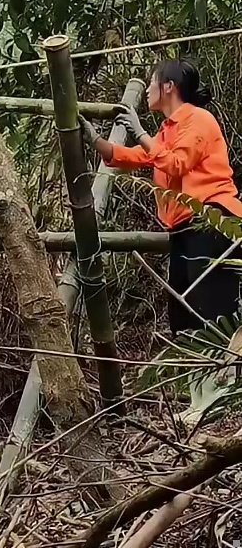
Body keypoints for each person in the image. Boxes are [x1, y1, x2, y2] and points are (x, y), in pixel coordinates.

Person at [81, 59, 241, 424]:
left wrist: (139, 131)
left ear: (168, 85)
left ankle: (217, 400)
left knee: (210, 311)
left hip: (213, 219)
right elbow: (134, 158)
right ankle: (200, 400)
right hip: (184, 227)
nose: (149, 90)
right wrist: (95, 140)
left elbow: (176, 164)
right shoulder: (168, 131)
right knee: (183, 315)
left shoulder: (198, 120)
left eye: (152, 83)